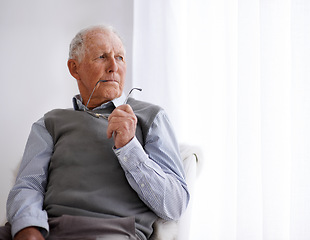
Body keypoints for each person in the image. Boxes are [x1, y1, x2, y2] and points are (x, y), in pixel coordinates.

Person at [0, 25, 189, 240]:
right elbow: (29, 184)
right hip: (47, 229)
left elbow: (174, 205)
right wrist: (28, 228)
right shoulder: (49, 122)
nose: (113, 67)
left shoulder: (151, 116)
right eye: (101, 57)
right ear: (74, 68)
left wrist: (129, 147)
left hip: (112, 231)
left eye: (119, 57)